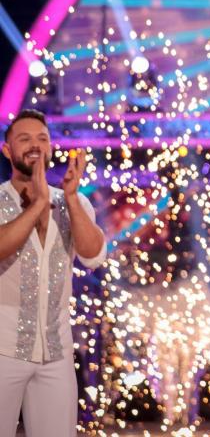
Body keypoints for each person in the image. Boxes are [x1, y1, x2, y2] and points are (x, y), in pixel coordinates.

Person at [0, 109, 106, 437]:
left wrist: (71, 198)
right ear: (7, 150)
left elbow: (93, 255)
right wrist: (36, 204)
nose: (35, 145)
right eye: (25, 138)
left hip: (56, 353)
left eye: (42, 139)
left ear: (50, 147)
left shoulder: (72, 202)